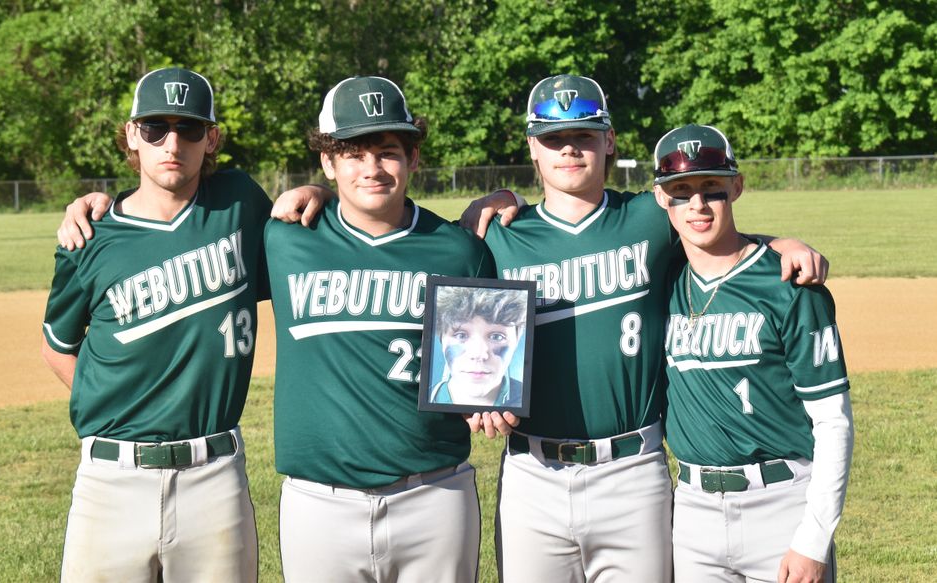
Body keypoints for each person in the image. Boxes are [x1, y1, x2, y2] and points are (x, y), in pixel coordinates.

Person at [273, 74, 829, 583]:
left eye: (584, 135)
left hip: (633, 469)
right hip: (531, 470)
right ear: (532, 146)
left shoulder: (650, 218)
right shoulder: (492, 237)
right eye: (553, 136)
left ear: (609, 141)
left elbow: (709, 223)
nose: (569, 147)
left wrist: (778, 244)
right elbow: (469, 345)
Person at [264, 76, 500, 582]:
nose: (371, 168)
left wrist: (491, 400)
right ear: (327, 163)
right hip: (317, 500)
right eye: (352, 153)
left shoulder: (458, 249)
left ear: (414, 157)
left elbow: (487, 361)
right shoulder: (286, 238)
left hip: (434, 493)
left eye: (388, 151)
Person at [41, 67, 267, 582]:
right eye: (154, 129)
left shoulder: (239, 203)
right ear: (130, 136)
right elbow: (57, 345)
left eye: (189, 129)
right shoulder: (90, 234)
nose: (172, 143)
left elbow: (311, 244)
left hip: (214, 475)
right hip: (110, 480)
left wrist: (317, 194)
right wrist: (109, 403)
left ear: (211, 139)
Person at [652, 124, 854, 583]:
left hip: (781, 503)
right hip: (693, 512)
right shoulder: (662, 280)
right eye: (681, 191)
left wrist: (813, 537)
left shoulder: (789, 285)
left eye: (712, 189)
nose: (697, 205)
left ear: (736, 187)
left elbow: (833, 421)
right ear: (662, 198)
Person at [430, 285, 527, 407]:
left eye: (497, 337)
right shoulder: (421, 398)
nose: (478, 354)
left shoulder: (535, 400)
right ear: (441, 339)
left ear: (516, 341)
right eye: (461, 335)